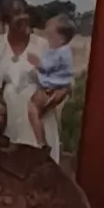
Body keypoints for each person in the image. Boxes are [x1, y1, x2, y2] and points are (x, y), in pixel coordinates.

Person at [0, 0, 46, 148]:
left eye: (24, 11)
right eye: (17, 13)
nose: (24, 17)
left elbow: (57, 87)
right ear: (6, 20)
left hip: (37, 125)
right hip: (9, 126)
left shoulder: (42, 46)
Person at [32, 14, 80, 162]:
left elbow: (66, 73)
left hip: (43, 102)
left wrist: (64, 89)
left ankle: (41, 143)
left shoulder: (51, 48)